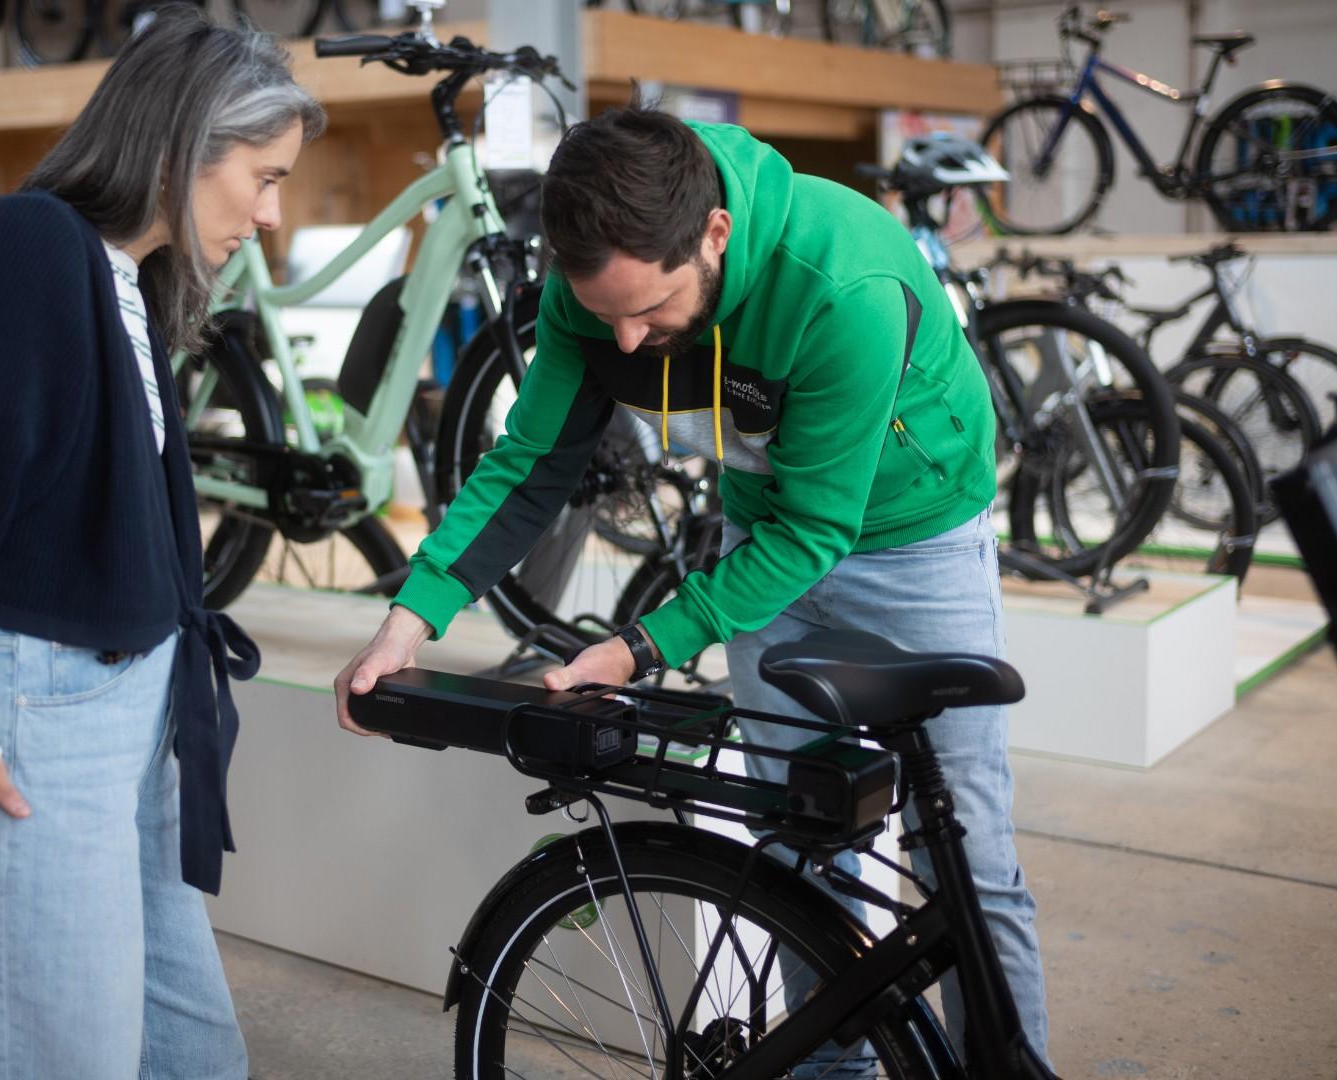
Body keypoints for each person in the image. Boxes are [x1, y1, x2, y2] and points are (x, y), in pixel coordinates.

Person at [335, 106, 1050, 1071]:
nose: (625, 342)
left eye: (650, 309)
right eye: (603, 314)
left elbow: (817, 529)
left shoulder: (842, 283)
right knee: (805, 836)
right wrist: (409, 619)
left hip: (915, 540)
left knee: (963, 856)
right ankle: (834, 1073)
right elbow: (532, 462)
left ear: (714, 234)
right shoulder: (593, 288)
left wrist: (644, 643)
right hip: (770, 532)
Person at [0, 9, 323, 1078]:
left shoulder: (122, 276)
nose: (272, 212)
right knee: (49, 1042)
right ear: (179, 145)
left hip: (130, 702)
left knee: (181, 1043)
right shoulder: (25, 250)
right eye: (263, 174)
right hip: (36, 711)